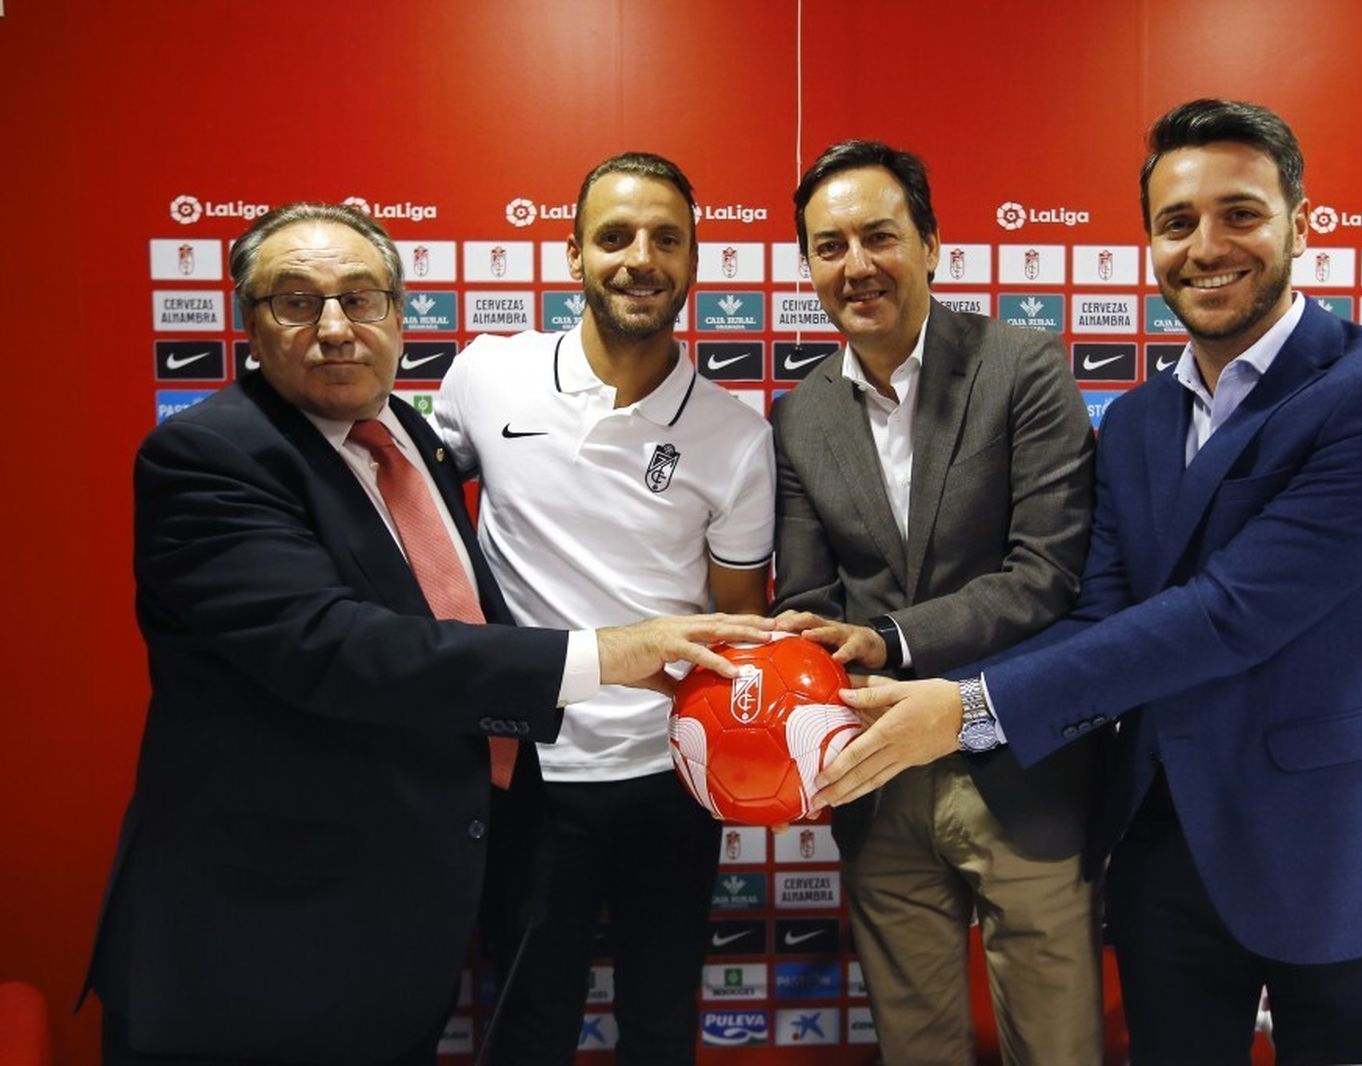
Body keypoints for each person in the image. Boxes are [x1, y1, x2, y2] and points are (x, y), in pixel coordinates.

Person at [823, 100, 1362, 1065]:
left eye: (1240, 213)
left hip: (1340, 846)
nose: (1207, 246)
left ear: (1303, 218)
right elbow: (1102, 612)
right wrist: (907, 669)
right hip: (1164, 846)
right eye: (1177, 223)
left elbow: (1230, 615)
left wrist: (966, 708)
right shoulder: (1133, 421)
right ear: (1150, 243)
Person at [83, 202, 770, 1066]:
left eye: (361, 299)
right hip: (257, 932)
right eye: (295, 302)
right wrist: (607, 654)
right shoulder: (209, 457)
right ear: (249, 324)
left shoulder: (406, 437)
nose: (335, 328)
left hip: (402, 906)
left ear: (400, 316)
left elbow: (450, 608)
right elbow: (338, 647)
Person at [433, 152, 774, 1064]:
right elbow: (412, 521)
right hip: (529, 775)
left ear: (695, 262)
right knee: (528, 1024)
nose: (640, 258)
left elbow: (739, 626)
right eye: (615, 235)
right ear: (573, 253)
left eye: (667, 238)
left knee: (661, 1025)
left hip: (670, 782)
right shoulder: (486, 375)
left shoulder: (738, 436)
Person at [771, 140, 1101, 1064]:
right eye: (829, 247)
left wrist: (885, 639)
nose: (857, 265)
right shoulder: (800, 414)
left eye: (880, 236)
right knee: (916, 1047)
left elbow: (1048, 573)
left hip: (1019, 762)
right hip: (877, 777)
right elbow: (804, 594)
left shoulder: (1021, 368)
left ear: (931, 244)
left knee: (1057, 1045)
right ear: (808, 266)